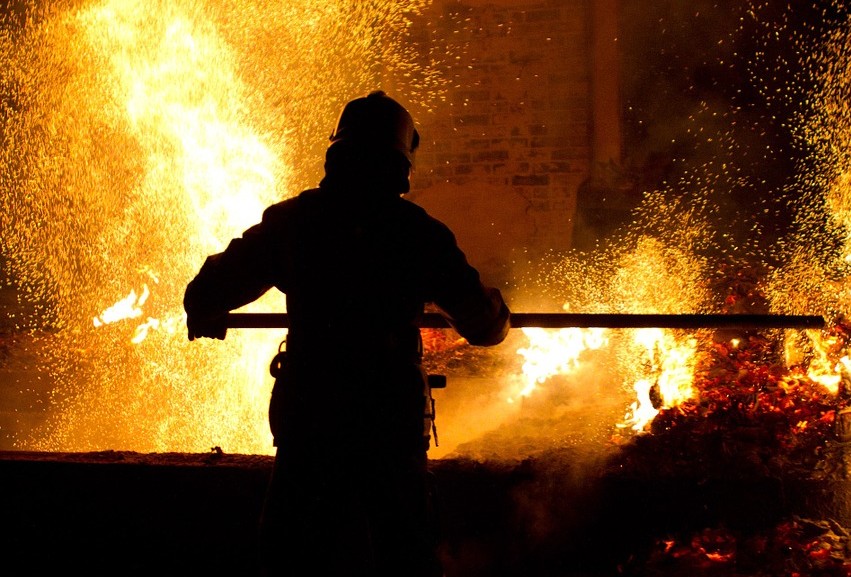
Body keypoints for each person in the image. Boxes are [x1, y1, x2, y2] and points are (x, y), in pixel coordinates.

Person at [183, 90, 511, 577]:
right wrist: (499, 312)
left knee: (289, 558)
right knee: (405, 556)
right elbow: (483, 324)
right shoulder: (417, 234)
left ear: (336, 153)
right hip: (388, 419)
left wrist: (207, 311)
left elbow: (210, 288)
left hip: (311, 413)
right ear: (401, 164)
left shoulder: (295, 223)